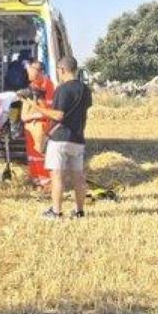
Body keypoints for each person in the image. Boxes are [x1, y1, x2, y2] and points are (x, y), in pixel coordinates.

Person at [32, 56, 92, 218]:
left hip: (60, 139)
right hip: (78, 139)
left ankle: (56, 211)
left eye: (58, 70)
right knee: (78, 177)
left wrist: (37, 108)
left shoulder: (62, 89)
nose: (58, 73)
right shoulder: (85, 90)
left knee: (57, 176)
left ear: (63, 70)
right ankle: (80, 211)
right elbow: (83, 113)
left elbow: (58, 115)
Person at [22, 60, 57, 186]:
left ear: (41, 72)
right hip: (30, 126)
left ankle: (46, 182)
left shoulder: (48, 86)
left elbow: (49, 110)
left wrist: (33, 115)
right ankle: (35, 179)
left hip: (40, 125)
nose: (29, 72)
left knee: (40, 154)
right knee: (32, 156)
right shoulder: (32, 86)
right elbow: (24, 113)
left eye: (32, 70)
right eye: (29, 69)